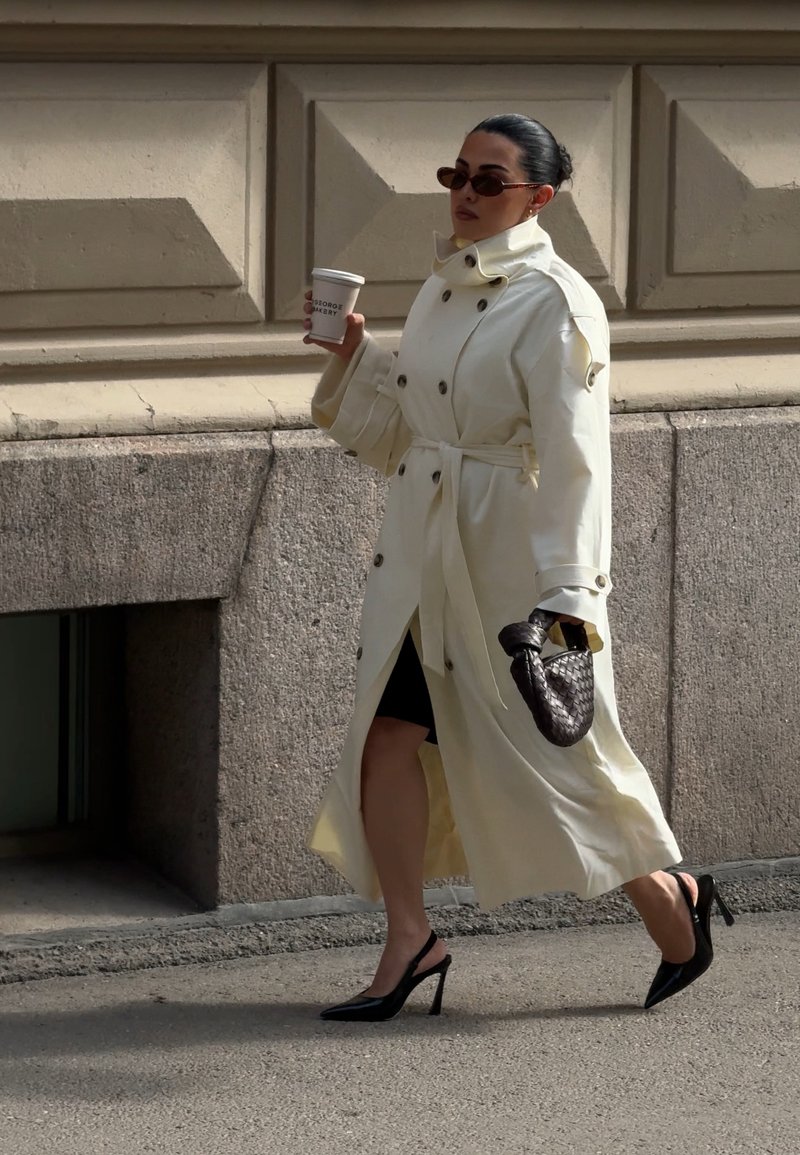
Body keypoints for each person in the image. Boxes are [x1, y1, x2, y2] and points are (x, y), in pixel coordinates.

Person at [302, 114, 733, 1022]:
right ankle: (410, 938)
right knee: (387, 735)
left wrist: (569, 601)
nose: (465, 192)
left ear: (538, 198)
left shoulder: (557, 303)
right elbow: (420, 432)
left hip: (506, 570)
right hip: (425, 558)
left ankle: (673, 899)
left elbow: (578, 463)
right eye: (456, 173)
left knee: (560, 761)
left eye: (488, 181)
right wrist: (357, 357)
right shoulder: (443, 284)